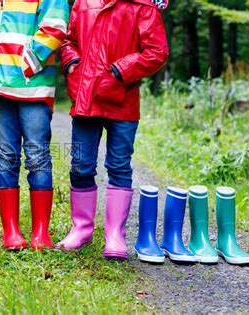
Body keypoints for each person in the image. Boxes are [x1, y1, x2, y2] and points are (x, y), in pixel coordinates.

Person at [56, 0, 169, 259]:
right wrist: (72, 63)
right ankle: (81, 229)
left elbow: (157, 51)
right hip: (86, 96)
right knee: (81, 164)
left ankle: (115, 235)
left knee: (119, 164)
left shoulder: (142, 6)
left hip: (123, 100)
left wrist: (120, 70)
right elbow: (66, 40)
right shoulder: (84, 2)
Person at [0, 0, 69, 250]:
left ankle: (40, 233)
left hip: (32, 84)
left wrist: (28, 63)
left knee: (37, 154)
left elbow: (55, 26)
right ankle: (11, 232)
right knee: (5, 153)